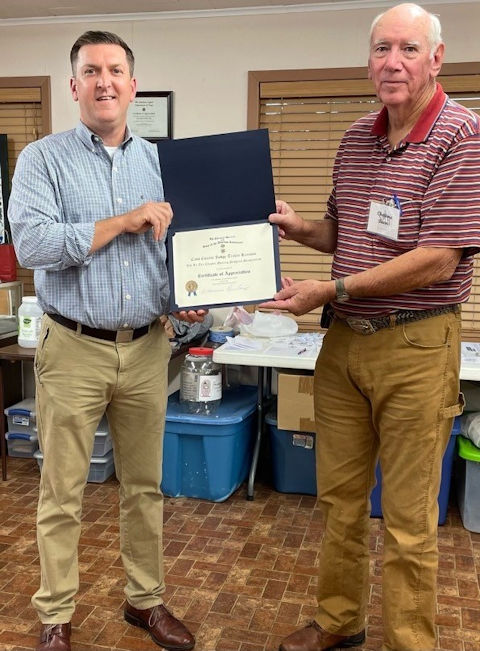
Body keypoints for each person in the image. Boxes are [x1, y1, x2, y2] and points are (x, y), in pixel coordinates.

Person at [261, 4, 480, 651]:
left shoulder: (463, 134)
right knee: (337, 500)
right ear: (369, 61)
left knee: (410, 518)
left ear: (436, 59)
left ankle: (408, 642)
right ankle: (340, 620)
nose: (393, 61)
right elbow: (346, 234)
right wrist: (297, 225)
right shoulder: (356, 138)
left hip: (417, 345)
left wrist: (329, 288)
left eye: (409, 49)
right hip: (343, 345)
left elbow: (438, 256)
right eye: (382, 49)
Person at [8, 30, 206, 651]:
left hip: (148, 347)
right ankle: (55, 614)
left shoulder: (164, 162)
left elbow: (180, 256)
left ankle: (145, 601)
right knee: (62, 490)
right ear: (74, 86)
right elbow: (33, 248)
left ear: (132, 83)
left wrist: (194, 297)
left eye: (115, 70)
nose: (104, 82)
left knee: (144, 487)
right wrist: (124, 221)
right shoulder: (42, 160)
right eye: (90, 71)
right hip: (72, 347)